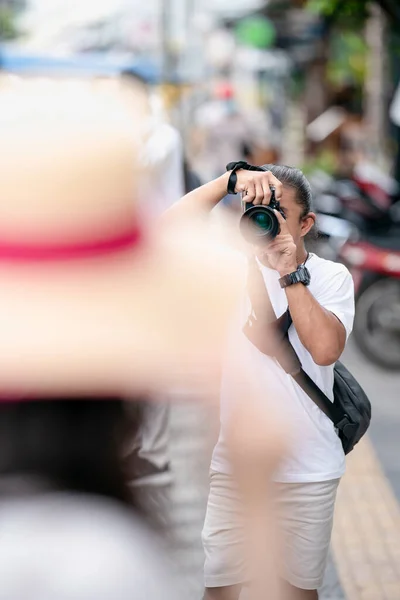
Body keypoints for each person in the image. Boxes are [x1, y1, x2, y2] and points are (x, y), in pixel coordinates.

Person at [165, 164, 355, 600]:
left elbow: (326, 350)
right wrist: (227, 182)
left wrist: (290, 272)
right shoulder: (230, 268)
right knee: (220, 591)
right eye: (254, 208)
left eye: (276, 211)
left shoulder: (331, 277)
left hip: (310, 472)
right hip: (234, 467)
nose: (262, 218)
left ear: (305, 223)